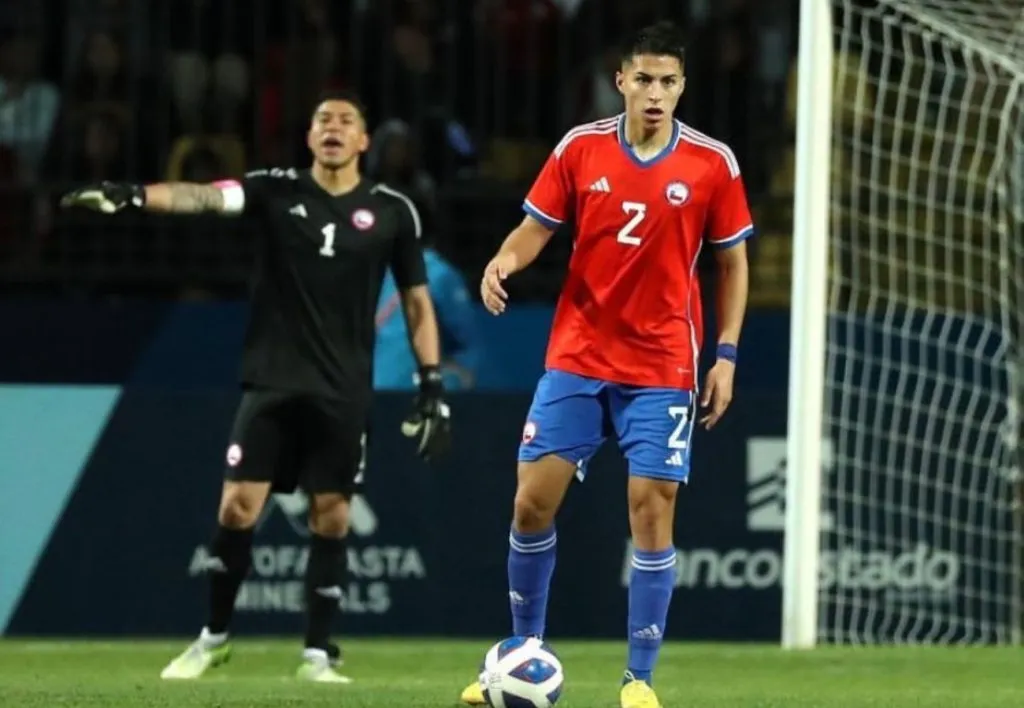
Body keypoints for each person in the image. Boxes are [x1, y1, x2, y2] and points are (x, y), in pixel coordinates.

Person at [60, 90, 452, 683]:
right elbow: (205, 197)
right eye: (323, 119)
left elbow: (418, 304)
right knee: (237, 507)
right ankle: (213, 638)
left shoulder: (393, 210)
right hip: (271, 380)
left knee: (332, 516)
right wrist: (135, 194)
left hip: (342, 389)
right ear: (309, 136)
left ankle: (318, 653)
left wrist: (431, 385)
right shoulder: (275, 188)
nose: (334, 128)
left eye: (347, 121)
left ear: (364, 141)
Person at [461, 21, 752, 708]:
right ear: (620, 80)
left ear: (683, 86)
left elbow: (732, 261)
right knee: (531, 503)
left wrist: (728, 354)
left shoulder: (713, 163)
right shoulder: (580, 148)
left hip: (662, 363)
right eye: (644, 79)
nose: (656, 94)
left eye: (669, 82)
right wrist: (504, 259)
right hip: (579, 353)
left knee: (652, 509)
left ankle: (638, 680)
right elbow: (534, 229)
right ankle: (522, 654)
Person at [374, 245, 482, 391]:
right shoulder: (359, 272)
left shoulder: (437, 274)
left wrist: (451, 385)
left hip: (413, 395)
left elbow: (466, 344)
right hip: (363, 397)